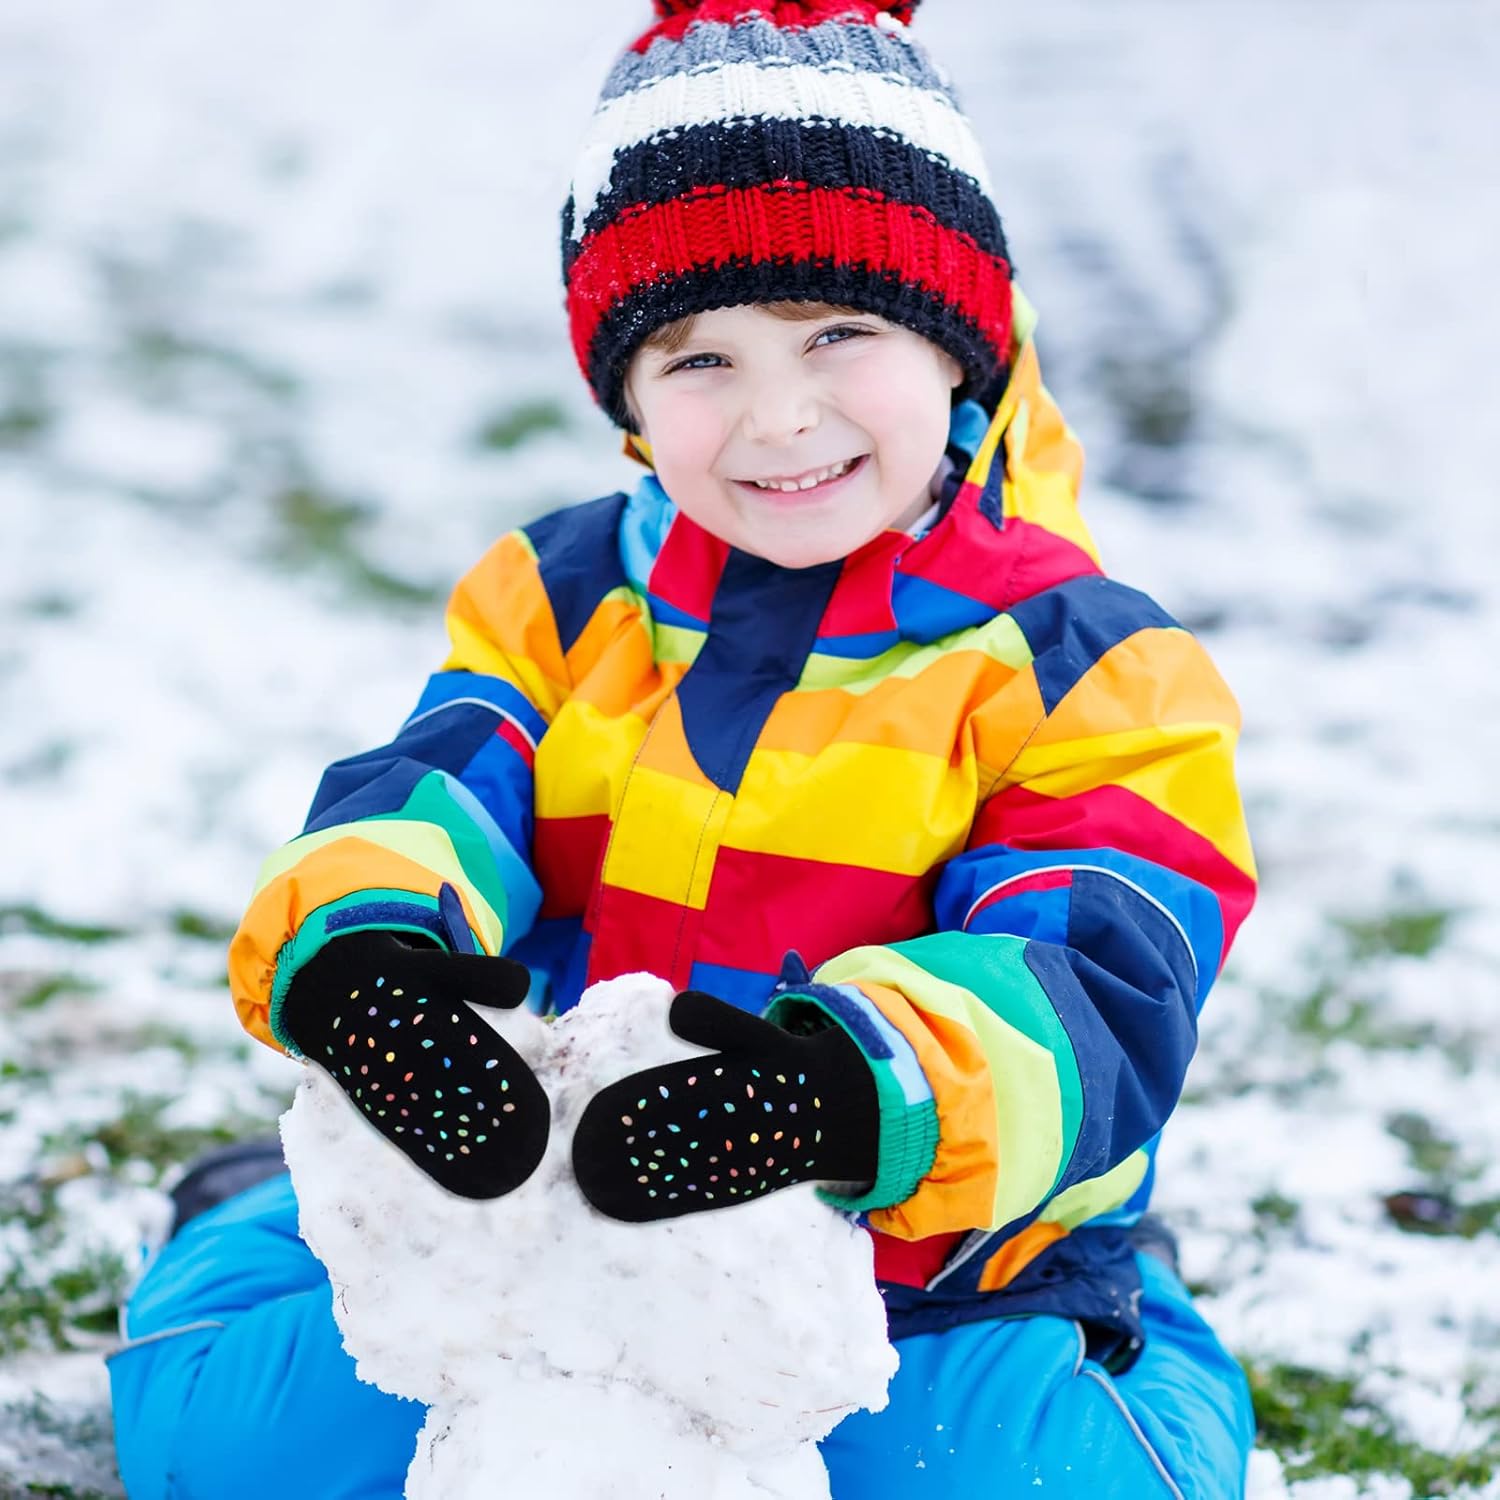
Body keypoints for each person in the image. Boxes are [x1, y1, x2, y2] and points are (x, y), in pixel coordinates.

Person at [107, 1, 1258, 1495]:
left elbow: (1102, 964)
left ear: (959, 339)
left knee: (1025, 1479)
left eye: (840, 332)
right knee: (217, 1446)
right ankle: (262, 1210)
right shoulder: (563, 596)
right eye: (697, 357)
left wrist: (853, 1095)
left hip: (917, 1262)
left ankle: (1133, 1321)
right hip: (554, 1212)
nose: (779, 414)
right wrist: (364, 955)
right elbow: (433, 790)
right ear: (629, 403)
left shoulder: (1088, 662)